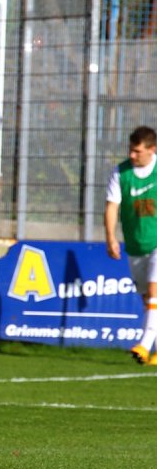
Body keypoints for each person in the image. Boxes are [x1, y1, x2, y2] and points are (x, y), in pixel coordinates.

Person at [105, 125, 157, 366]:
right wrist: (111, 237)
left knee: (155, 290)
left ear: (152, 150)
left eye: (137, 151)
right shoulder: (121, 172)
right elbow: (112, 206)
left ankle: (144, 344)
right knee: (147, 298)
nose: (132, 155)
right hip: (136, 244)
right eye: (131, 150)